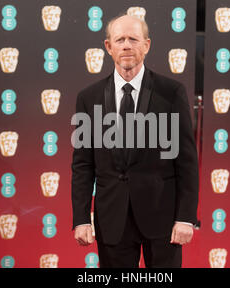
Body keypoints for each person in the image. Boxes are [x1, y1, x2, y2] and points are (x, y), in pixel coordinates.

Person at [71, 13, 199, 268]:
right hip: (111, 219)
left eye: (133, 39)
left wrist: (186, 217)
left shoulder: (171, 93)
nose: (127, 45)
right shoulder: (88, 98)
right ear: (108, 47)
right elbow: (82, 165)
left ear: (147, 45)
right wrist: (81, 218)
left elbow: (186, 161)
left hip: (163, 218)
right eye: (119, 39)